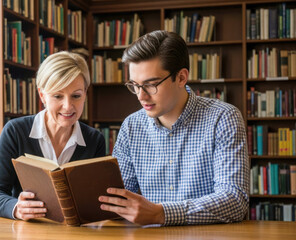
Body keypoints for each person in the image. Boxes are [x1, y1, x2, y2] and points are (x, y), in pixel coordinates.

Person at [98, 30, 249, 226]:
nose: (140, 96)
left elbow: (234, 200)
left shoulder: (223, 118)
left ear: (181, 78)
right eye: (135, 85)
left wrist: (162, 214)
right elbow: (118, 197)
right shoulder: (131, 126)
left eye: (151, 85)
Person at [0, 51, 106, 220]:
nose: (68, 106)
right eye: (58, 96)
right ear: (42, 95)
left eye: (76, 96)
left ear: (85, 93)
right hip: (27, 232)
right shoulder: (15, 131)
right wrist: (16, 208)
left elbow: (96, 199)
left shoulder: (95, 140)